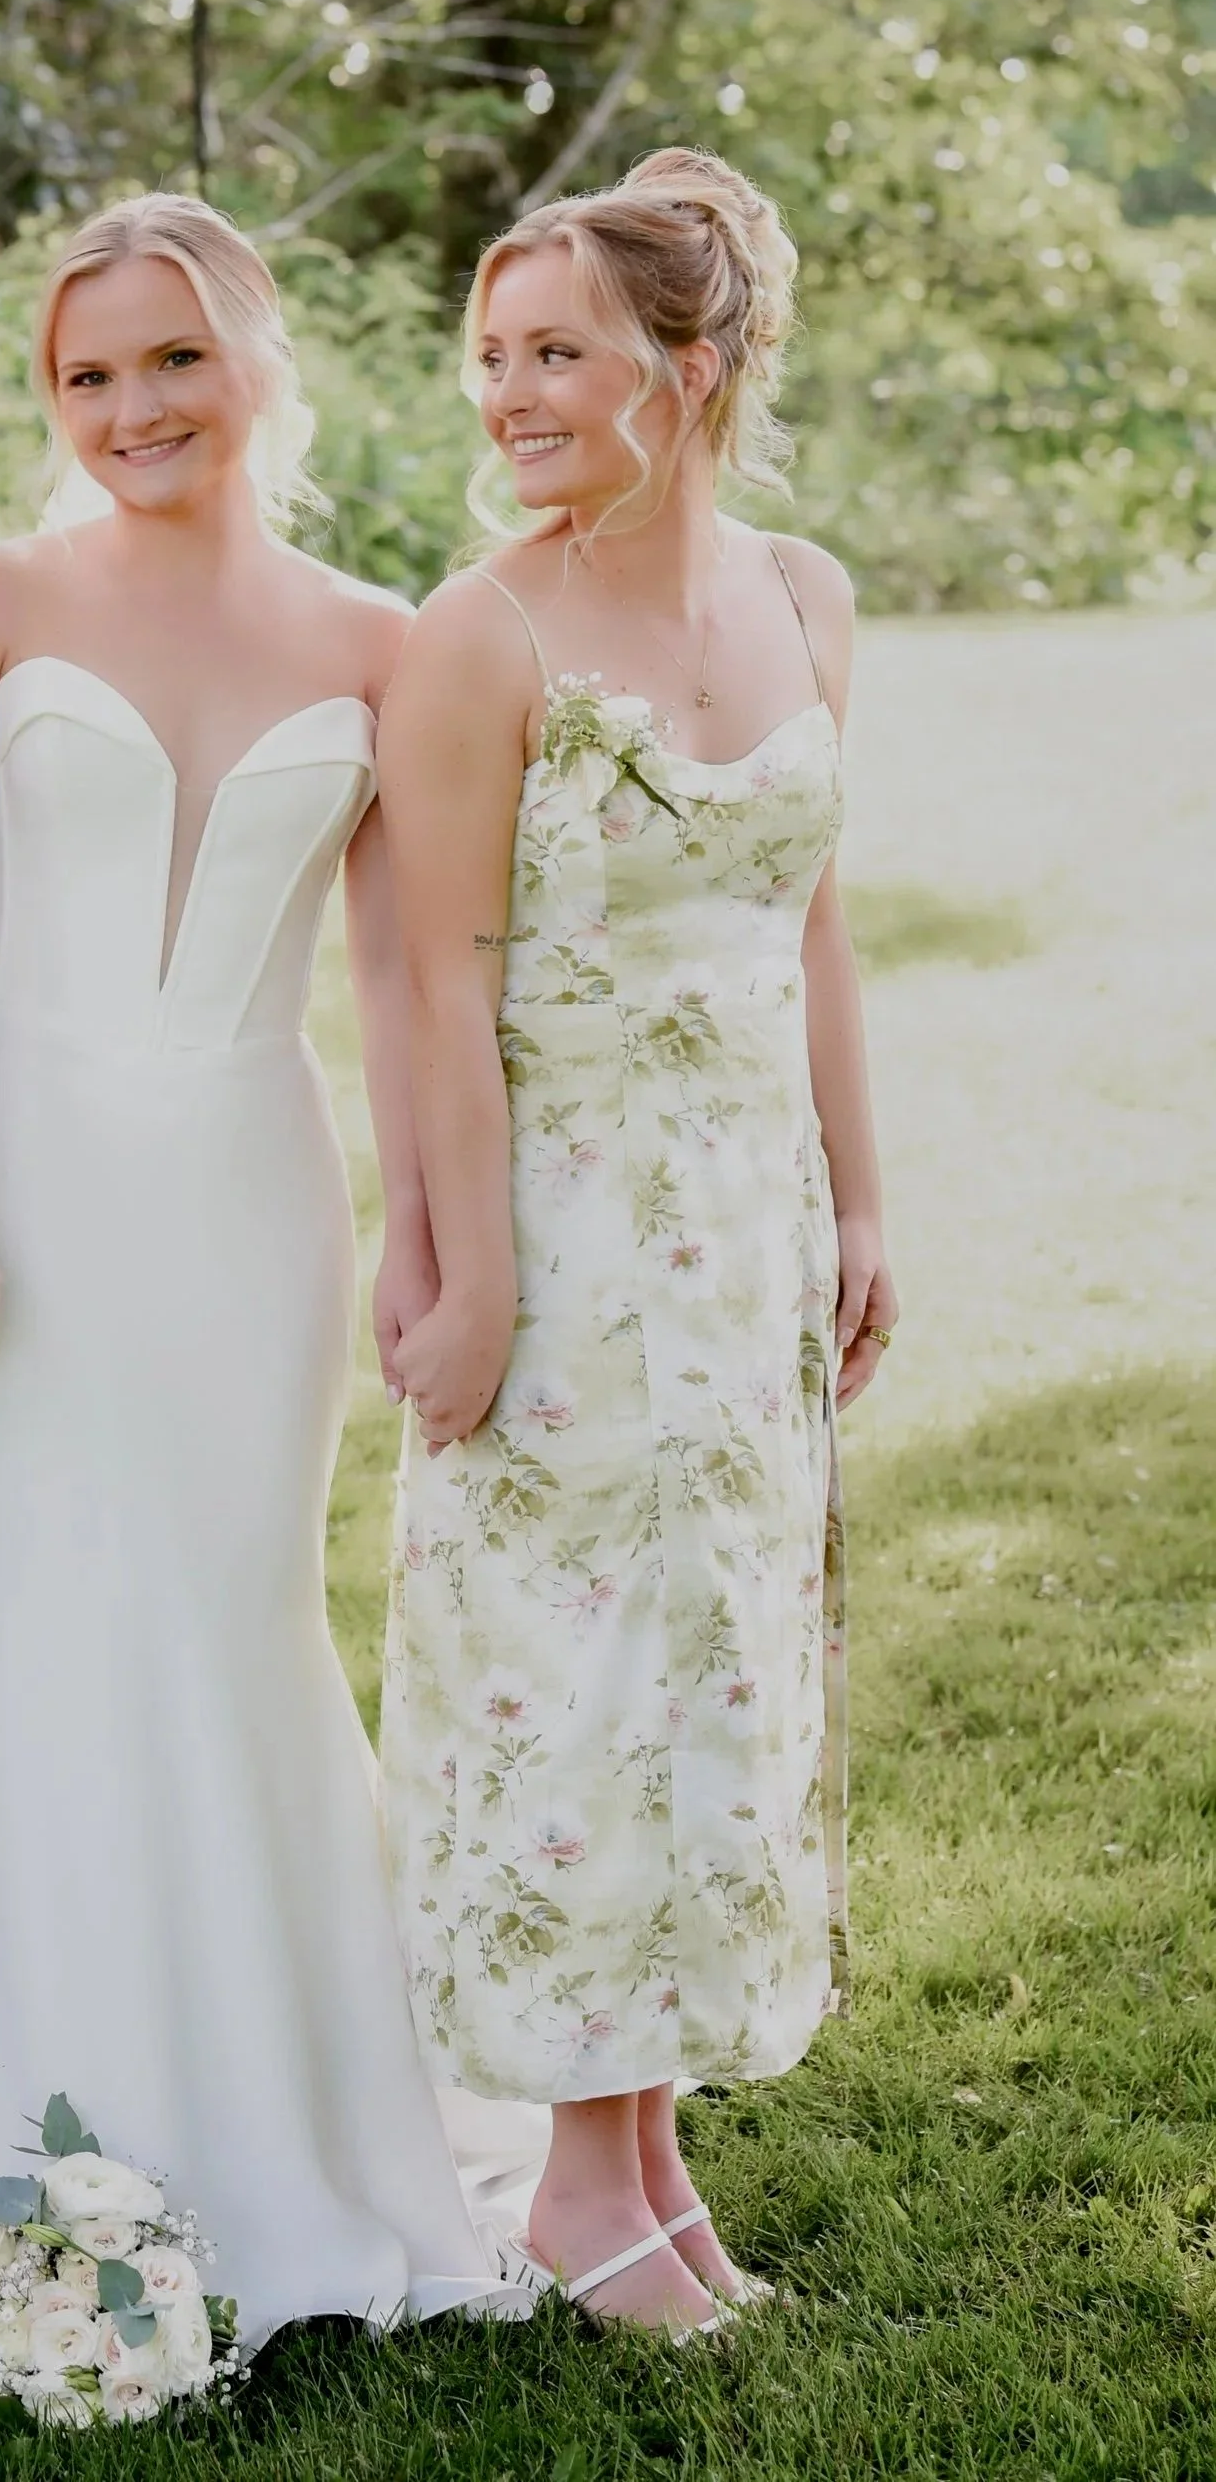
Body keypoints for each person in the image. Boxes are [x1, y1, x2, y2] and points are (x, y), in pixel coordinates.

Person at [0, 192, 504, 2344]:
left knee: (228, 1642)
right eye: (88, 373)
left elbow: (413, 986)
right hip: (15, 1187)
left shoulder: (379, 641)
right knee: (17, 1634)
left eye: (171, 360)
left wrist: (441, 1245)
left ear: (258, 362)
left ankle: (261, 2147)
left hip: (245, 1202)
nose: (133, 408)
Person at [376, 149, 895, 2334]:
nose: (510, 393)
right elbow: (425, 979)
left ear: (689, 370)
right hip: (570, 1231)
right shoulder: (476, 636)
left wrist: (863, 1194)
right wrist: (468, 1276)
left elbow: (815, 916)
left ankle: (652, 2158)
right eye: (494, 356)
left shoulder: (806, 593)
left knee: (718, 1674)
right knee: (573, 1679)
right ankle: (580, 2192)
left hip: (750, 1226)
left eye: (557, 351)